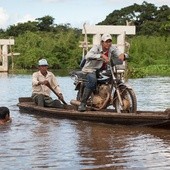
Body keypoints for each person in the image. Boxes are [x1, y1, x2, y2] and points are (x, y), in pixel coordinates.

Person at [78, 33, 125, 112]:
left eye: (110, 41)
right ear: (102, 42)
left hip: (102, 70)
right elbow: (88, 56)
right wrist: (101, 56)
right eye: (106, 41)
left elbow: (118, 53)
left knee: (117, 80)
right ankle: (82, 103)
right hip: (90, 69)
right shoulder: (96, 48)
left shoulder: (112, 48)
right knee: (92, 81)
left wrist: (122, 55)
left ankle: (117, 99)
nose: (108, 43)